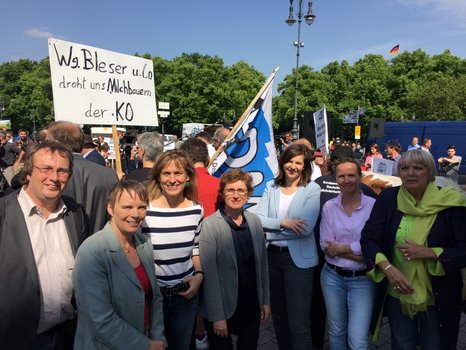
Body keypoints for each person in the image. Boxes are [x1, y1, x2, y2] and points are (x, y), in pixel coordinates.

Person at [360, 149, 466, 349]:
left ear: (430, 173)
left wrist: (431, 253)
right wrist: (389, 270)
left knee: (434, 344)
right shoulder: (389, 198)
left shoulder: (452, 202)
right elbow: (368, 238)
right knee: (402, 344)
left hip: (438, 294)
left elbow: (463, 249)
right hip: (397, 290)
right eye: (404, 168)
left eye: (418, 168)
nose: (410, 173)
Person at [0, 141, 89, 350]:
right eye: (46, 169)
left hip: (66, 336)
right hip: (15, 339)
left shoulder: (75, 214)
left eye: (62, 171)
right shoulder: (3, 213)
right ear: (29, 172)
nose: (54, 178)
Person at [73, 181, 166, 350]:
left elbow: (155, 297)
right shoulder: (93, 251)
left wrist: (157, 337)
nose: (136, 214)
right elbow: (100, 318)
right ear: (110, 208)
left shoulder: (143, 244)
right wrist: (144, 345)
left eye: (142, 207)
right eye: (127, 207)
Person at [255, 143, 320, 350]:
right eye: (289, 161)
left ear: (305, 166)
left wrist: (270, 229)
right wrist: (283, 223)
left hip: (297, 263)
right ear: (282, 162)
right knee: (280, 319)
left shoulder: (312, 189)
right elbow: (257, 219)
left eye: (298, 163)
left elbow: (306, 229)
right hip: (272, 258)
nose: (292, 166)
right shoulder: (270, 187)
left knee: (299, 322)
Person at [199, 169, 270, 350]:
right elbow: (210, 275)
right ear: (223, 193)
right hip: (224, 308)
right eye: (231, 190)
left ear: (248, 194)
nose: (236, 195)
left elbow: (262, 265)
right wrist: (217, 316)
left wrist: (265, 301)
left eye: (241, 190)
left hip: (251, 305)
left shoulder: (254, 221)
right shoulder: (210, 225)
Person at [142, 150, 204, 350]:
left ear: (187, 177)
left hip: (184, 297)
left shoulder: (196, 210)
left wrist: (200, 275)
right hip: (151, 298)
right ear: (158, 177)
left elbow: (195, 248)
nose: (172, 179)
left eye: (177, 173)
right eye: (166, 173)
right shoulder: (144, 209)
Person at [320, 157, 376, 349]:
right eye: (341, 176)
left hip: (362, 280)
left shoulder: (373, 206)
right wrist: (361, 253)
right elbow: (326, 245)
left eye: (351, 175)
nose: (346, 180)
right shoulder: (329, 207)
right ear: (336, 179)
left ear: (360, 177)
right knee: (336, 331)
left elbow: (373, 245)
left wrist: (342, 248)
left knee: (358, 339)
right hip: (332, 277)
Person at [47, 121, 119, 234]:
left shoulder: (48, 175)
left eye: (46, 142)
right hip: (100, 245)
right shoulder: (109, 175)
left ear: (55, 143)